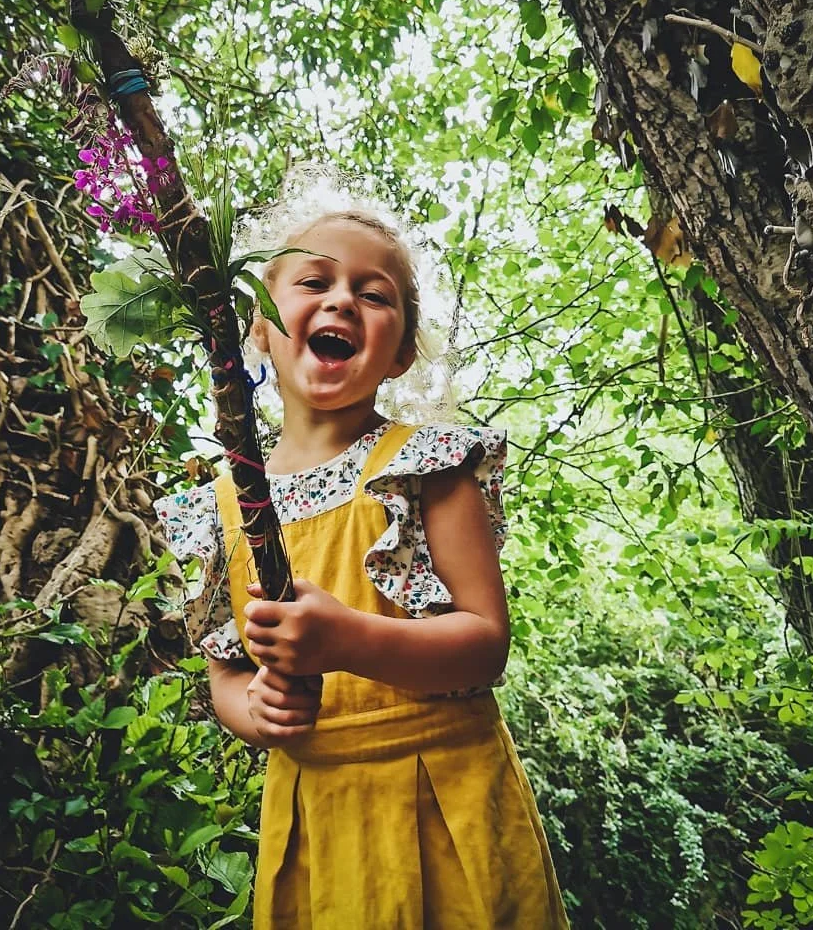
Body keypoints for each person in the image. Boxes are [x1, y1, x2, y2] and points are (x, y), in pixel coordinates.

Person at [155, 198, 568, 929]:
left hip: (447, 803)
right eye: (314, 283)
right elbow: (224, 666)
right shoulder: (219, 506)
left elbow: (484, 645)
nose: (342, 298)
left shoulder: (426, 466)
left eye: (373, 295)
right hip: (318, 820)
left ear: (401, 350)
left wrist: (347, 640)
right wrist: (251, 711)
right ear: (260, 324)